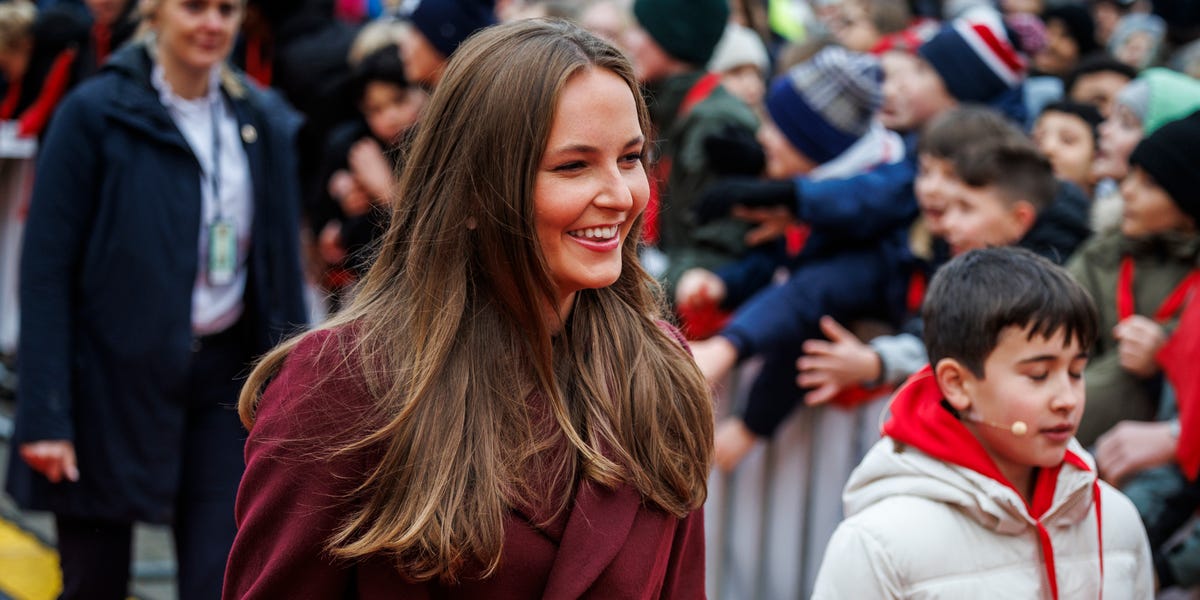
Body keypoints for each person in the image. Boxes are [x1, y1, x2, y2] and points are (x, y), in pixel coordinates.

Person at [223, 18, 713, 597]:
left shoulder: (660, 370)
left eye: (630, 158)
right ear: (474, 191)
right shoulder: (341, 385)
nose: (620, 194)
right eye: (573, 165)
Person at [3, 0, 309, 597]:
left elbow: (279, 269)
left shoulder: (260, 119)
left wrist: (295, 394)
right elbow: (45, 269)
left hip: (224, 383)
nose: (212, 24)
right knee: (94, 581)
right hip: (107, 381)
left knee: (220, 578)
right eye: (194, 6)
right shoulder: (93, 113)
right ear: (154, 12)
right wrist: (45, 409)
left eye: (226, 9)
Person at [812, 246, 1153, 599]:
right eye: (1038, 375)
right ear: (957, 384)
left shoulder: (1114, 519)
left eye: (1076, 372)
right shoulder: (878, 543)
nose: (1067, 399)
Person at [1069, 109, 1200, 447]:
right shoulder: (1104, 255)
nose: (1126, 191)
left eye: (1150, 184)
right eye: (1130, 176)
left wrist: (1166, 354)